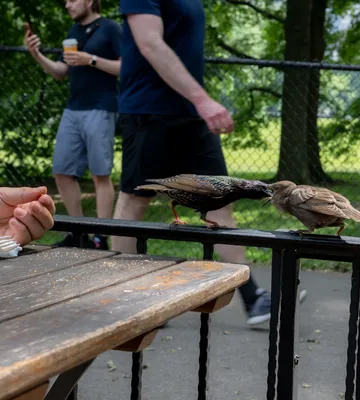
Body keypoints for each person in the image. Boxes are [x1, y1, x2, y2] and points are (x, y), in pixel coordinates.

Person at [112, 0, 306, 327]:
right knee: (136, 199)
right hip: (149, 111)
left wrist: (197, 101)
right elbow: (149, 42)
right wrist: (203, 99)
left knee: (221, 200)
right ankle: (128, 300)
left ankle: (253, 298)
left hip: (191, 114)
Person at [23, 0, 122, 250]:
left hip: (101, 108)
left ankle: (101, 237)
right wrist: (36, 54)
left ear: (89, 1)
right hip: (73, 109)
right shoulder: (73, 32)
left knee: (100, 175)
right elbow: (60, 71)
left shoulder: (111, 28)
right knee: (62, 171)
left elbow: (125, 68)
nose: (67, 5)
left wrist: (90, 59)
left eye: (72, 0)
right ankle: (79, 234)